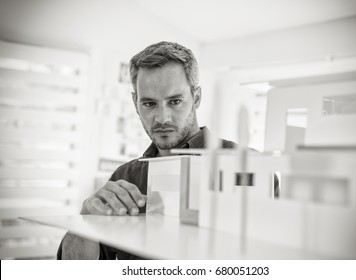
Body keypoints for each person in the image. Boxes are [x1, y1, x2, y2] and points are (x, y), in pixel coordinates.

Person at [57, 41, 235, 260]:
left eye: (175, 101)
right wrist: (85, 223)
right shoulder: (124, 178)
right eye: (149, 104)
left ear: (196, 98)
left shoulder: (246, 167)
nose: (162, 118)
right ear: (135, 103)